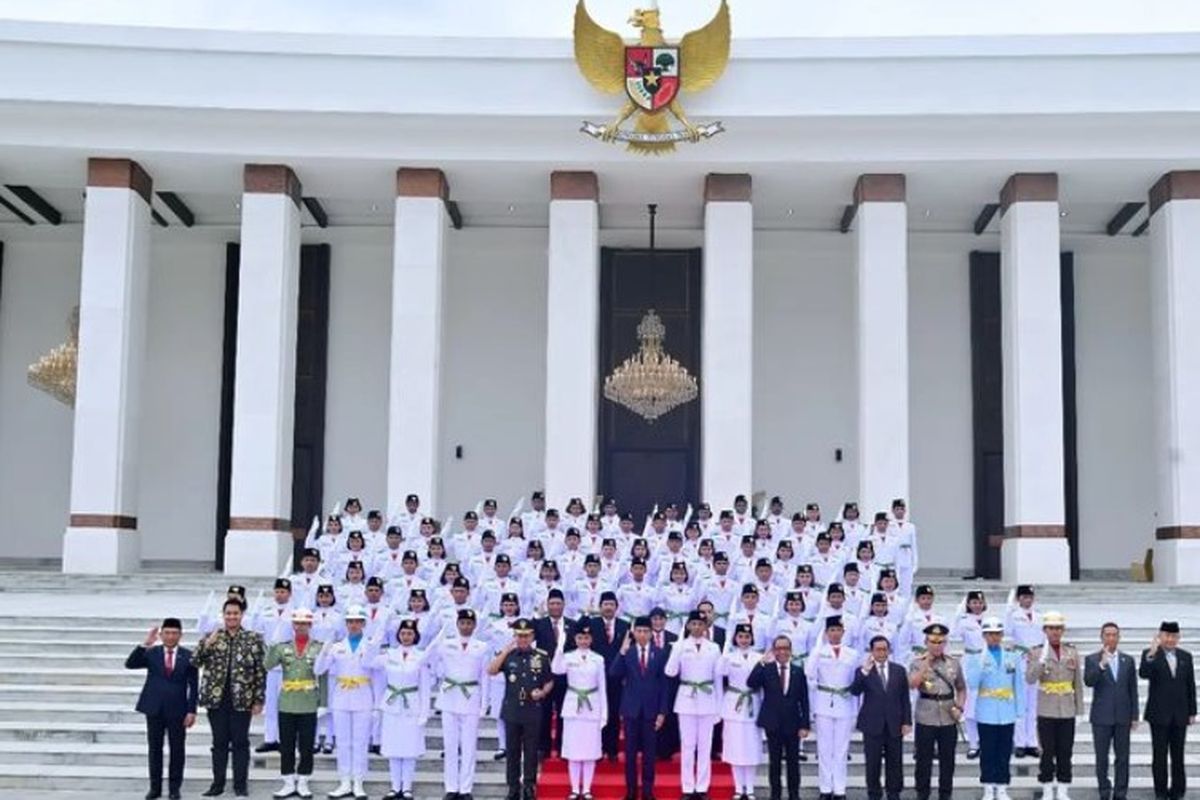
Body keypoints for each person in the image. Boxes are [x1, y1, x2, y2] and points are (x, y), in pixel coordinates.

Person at [194, 598, 267, 798]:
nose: (232, 617)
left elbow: (260, 671)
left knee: (240, 743)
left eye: (235, 613)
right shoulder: (213, 636)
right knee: (219, 742)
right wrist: (207, 644)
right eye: (228, 613)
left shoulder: (253, 639)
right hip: (216, 700)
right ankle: (217, 784)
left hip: (242, 699)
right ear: (223, 615)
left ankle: (240, 785)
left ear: (242, 615)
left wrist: (259, 699)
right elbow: (195, 661)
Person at [125, 617, 198, 800]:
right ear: (161, 634)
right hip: (154, 708)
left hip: (178, 710)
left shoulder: (189, 656)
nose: (171, 637)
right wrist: (145, 644)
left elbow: (194, 686)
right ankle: (155, 788)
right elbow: (130, 664)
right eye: (167, 633)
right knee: (155, 749)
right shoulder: (152, 653)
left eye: (174, 633)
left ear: (180, 635)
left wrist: (191, 711)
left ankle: (174, 788)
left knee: (177, 750)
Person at [314, 604, 378, 799]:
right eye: (350, 621)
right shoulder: (337, 647)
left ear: (363, 624)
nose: (353, 625)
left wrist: (376, 705)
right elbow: (318, 670)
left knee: (359, 741)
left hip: (363, 695)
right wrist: (324, 651)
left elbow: (376, 676)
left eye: (357, 621)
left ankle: (358, 782)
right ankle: (344, 781)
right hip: (341, 696)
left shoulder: (370, 645)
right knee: (342, 741)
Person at [427, 608, 492, 800]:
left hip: (471, 697)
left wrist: (484, 703)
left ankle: (465, 789)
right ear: (457, 624)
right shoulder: (446, 645)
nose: (466, 626)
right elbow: (430, 659)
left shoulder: (482, 647)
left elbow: (485, 676)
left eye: (470, 623)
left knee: (469, 745)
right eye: (463, 623)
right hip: (450, 697)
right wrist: (439, 635)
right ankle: (451, 787)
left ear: (474, 625)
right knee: (450, 744)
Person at [489, 617, 556, 800]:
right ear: (515, 636)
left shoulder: (541, 657)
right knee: (512, 752)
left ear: (532, 636)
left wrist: (542, 693)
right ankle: (513, 787)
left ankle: (529, 786)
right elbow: (492, 670)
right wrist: (505, 650)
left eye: (526, 636)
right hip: (512, 711)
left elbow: (549, 681)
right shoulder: (509, 656)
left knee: (531, 751)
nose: (523, 639)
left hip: (532, 711)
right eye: (519, 636)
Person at [663, 610, 723, 800]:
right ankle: (687, 787)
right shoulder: (680, 645)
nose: (697, 627)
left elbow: (718, 679)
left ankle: (702, 786)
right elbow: (670, 672)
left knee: (705, 746)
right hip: (686, 699)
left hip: (707, 698)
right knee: (688, 745)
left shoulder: (714, 648)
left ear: (706, 627)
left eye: (701, 624)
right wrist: (677, 649)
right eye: (694, 624)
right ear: (688, 626)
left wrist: (718, 707)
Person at [265, 608, 323, 800]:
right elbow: (267, 665)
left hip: (308, 702)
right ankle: (288, 781)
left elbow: (322, 676)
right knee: (287, 744)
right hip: (287, 702)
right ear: (293, 625)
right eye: (297, 623)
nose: (300, 626)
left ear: (310, 625)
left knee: (306, 745)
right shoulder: (283, 647)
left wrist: (323, 702)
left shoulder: (318, 647)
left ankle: (304, 780)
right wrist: (271, 647)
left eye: (304, 623)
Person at [964, 616, 1025, 800]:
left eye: (997, 634)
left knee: (1004, 751)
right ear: (984, 636)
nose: (994, 637)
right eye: (990, 634)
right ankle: (989, 787)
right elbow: (973, 684)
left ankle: (1002, 787)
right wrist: (980, 664)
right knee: (988, 751)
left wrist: (1020, 710)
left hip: (1006, 711)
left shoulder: (1011, 656)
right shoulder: (976, 657)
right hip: (986, 711)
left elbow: (1018, 685)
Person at [1025, 610, 1083, 800]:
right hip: (1047, 709)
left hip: (1066, 709)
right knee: (1047, 752)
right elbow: (1030, 678)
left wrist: (1079, 710)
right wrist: (1040, 661)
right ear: (1045, 630)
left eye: (1058, 628)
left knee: (1066, 751)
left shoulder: (1072, 651)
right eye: (1051, 628)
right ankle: (1048, 788)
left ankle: (1063, 789)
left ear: (1063, 630)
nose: (1055, 632)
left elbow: (1077, 683)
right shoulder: (1036, 651)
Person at [610, 617, 670, 800]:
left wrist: (662, 711)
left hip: (651, 711)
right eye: (639, 631)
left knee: (649, 755)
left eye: (646, 631)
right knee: (630, 753)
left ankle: (648, 791)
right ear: (634, 633)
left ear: (652, 633)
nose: (642, 635)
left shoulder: (660, 653)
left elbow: (664, 684)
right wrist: (622, 651)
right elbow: (613, 673)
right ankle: (630, 791)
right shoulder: (627, 653)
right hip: (631, 710)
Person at [746, 633, 811, 800]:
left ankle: (794, 795)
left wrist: (805, 725)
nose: (782, 652)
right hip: (772, 723)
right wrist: (761, 662)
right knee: (774, 763)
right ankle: (775, 795)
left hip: (793, 724)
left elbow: (804, 700)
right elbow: (751, 683)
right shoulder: (766, 670)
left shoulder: (798, 671)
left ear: (791, 650)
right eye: (779, 648)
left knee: (793, 763)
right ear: (774, 650)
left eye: (786, 648)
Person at [373, 619, 431, 800]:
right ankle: (394, 786)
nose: (406, 637)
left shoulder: (421, 656)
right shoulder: (389, 654)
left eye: (410, 633)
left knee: (409, 749)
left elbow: (425, 687)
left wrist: (424, 712)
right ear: (398, 635)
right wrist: (377, 635)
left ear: (415, 636)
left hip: (412, 705)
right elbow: (368, 661)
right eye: (403, 633)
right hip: (392, 704)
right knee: (393, 748)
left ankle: (406, 787)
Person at [1140, 620, 1197, 800]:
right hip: (1159, 714)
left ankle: (1178, 790)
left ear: (1178, 637)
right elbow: (1144, 673)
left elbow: (1190, 686)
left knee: (1178, 755)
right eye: (1167, 636)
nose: (1170, 639)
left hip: (1180, 714)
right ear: (1160, 636)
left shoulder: (1185, 656)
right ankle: (1161, 791)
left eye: (1174, 636)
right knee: (1159, 755)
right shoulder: (1150, 654)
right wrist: (1151, 653)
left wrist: (1192, 712)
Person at [551, 618, 608, 800]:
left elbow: (602, 687)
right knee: (574, 751)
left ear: (591, 639)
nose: (583, 640)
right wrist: (560, 646)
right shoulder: (568, 657)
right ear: (574, 639)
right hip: (573, 705)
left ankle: (587, 789)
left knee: (590, 751)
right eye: (580, 637)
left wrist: (604, 713)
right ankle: (575, 788)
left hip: (592, 706)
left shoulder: (598, 659)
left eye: (586, 637)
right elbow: (556, 669)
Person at [908, 623, 966, 800]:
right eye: (933, 642)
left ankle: (945, 794)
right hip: (926, 715)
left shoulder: (953, 663)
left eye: (941, 642)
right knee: (923, 760)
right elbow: (913, 684)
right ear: (926, 642)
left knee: (948, 760)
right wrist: (927, 662)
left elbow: (961, 688)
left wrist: (960, 707)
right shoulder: (917, 663)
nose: (937, 645)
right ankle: (922, 793)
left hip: (948, 715)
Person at [850, 636, 912, 800]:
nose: (882, 652)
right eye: (878, 649)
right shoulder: (863, 670)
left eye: (885, 649)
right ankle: (874, 794)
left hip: (894, 724)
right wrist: (864, 672)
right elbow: (855, 691)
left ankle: (894, 793)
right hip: (872, 724)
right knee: (873, 763)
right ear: (872, 651)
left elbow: (904, 697)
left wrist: (907, 721)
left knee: (895, 761)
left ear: (889, 650)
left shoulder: (898, 670)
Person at [805, 615, 859, 800]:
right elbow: (809, 672)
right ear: (826, 632)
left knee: (842, 749)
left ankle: (840, 788)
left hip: (844, 704)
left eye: (838, 630)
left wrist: (855, 708)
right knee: (825, 748)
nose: (835, 633)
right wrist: (817, 648)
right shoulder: (819, 652)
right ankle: (825, 788)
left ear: (844, 632)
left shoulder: (852, 654)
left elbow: (855, 680)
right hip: (824, 703)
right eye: (831, 630)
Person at [1083, 622, 1138, 800]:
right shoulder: (1092, 659)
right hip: (1101, 717)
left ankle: (1120, 792)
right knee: (1102, 757)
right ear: (1101, 637)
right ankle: (1104, 790)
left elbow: (1133, 690)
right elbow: (1089, 681)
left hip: (1123, 716)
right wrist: (1101, 665)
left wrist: (1135, 715)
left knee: (1122, 757)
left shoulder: (1128, 660)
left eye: (1114, 635)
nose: (1111, 638)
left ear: (1119, 637)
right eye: (1107, 635)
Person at [719, 624, 768, 800]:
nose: (744, 640)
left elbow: (764, 684)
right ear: (735, 638)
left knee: (752, 749)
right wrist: (725, 650)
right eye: (740, 637)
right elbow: (720, 672)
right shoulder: (729, 657)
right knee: (735, 748)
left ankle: (750, 788)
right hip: (734, 705)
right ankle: (739, 788)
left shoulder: (760, 657)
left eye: (747, 637)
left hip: (753, 704)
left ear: (752, 638)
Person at [589, 591, 629, 762]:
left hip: (617, 678)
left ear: (616, 607)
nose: (608, 608)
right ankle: (597, 749)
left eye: (611, 604)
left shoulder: (624, 626)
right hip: (595, 677)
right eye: (605, 604)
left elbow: (628, 652)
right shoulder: (591, 624)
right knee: (596, 713)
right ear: (600, 607)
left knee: (613, 713)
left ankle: (611, 749)